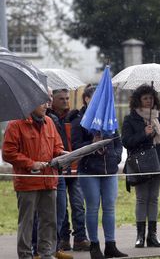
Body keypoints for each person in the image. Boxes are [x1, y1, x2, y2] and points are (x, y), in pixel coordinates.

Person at [2, 100, 64, 259]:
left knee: (49, 221)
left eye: (47, 103)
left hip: (49, 181)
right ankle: (25, 255)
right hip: (27, 183)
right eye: (42, 103)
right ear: (31, 103)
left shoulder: (49, 122)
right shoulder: (16, 124)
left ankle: (47, 254)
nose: (47, 106)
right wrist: (31, 164)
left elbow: (56, 146)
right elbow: (8, 153)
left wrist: (63, 154)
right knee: (27, 223)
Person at [71, 86, 127, 258]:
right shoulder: (79, 120)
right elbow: (75, 147)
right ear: (87, 99)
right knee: (93, 208)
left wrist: (116, 157)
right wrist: (91, 144)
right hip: (89, 171)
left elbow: (118, 142)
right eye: (96, 97)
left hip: (109, 170)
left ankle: (111, 244)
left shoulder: (109, 118)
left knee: (109, 208)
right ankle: (94, 246)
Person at [122, 84, 160, 248]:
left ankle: (153, 235)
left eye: (151, 97)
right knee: (142, 199)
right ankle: (140, 236)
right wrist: (144, 134)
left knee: (154, 199)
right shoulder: (131, 119)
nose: (149, 101)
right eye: (145, 98)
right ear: (138, 100)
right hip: (140, 164)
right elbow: (126, 142)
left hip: (158, 163)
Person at [50, 89, 90, 253]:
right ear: (52, 100)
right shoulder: (48, 118)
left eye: (67, 98)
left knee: (78, 204)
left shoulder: (74, 117)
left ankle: (80, 238)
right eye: (61, 99)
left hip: (74, 166)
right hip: (58, 167)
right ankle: (63, 239)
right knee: (61, 207)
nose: (65, 101)